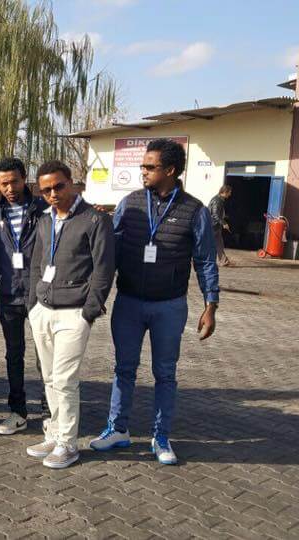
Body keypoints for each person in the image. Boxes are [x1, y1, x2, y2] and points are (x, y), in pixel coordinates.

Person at [89, 138, 220, 465]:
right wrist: (99, 295)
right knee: (124, 369)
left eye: (150, 167)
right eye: (143, 166)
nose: (142, 171)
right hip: (129, 303)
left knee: (165, 373)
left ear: (171, 170)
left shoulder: (195, 210)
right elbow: (112, 253)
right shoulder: (129, 203)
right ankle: (117, 430)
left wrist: (211, 305)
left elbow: (205, 261)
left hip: (169, 307)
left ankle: (160, 437)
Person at [26, 160, 114, 469]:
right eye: (46, 189)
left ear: (72, 183)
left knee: (65, 379)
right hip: (43, 310)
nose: (53, 193)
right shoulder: (44, 220)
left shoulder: (94, 220)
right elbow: (36, 264)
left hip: (74, 312)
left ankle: (68, 443)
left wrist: (89, 311)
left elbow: (104, 270)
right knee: (49, 377)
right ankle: (54, 432)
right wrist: (32, 304)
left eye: (58, 186)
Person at [0, 157, 50, 436]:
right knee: (14, 355)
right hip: (8, 296)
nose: (10, 188)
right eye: (3, 183)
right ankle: (18, 412)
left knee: (45, 357)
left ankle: (51, 412)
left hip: (40, 297)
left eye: (14, 181)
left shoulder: (45, 211)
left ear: (25, 179)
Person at [207, 185, 233, 267]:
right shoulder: (217, 201)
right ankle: (197, 258)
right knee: (210, 243)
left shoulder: (219, 200)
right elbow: (215, 214)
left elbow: (217, 214)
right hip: (213, 225)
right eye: (229, 192)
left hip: (215, 226)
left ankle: (224, 260)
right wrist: (224, 223)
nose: (230, 194)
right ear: (225, 192)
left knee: (219, 243)